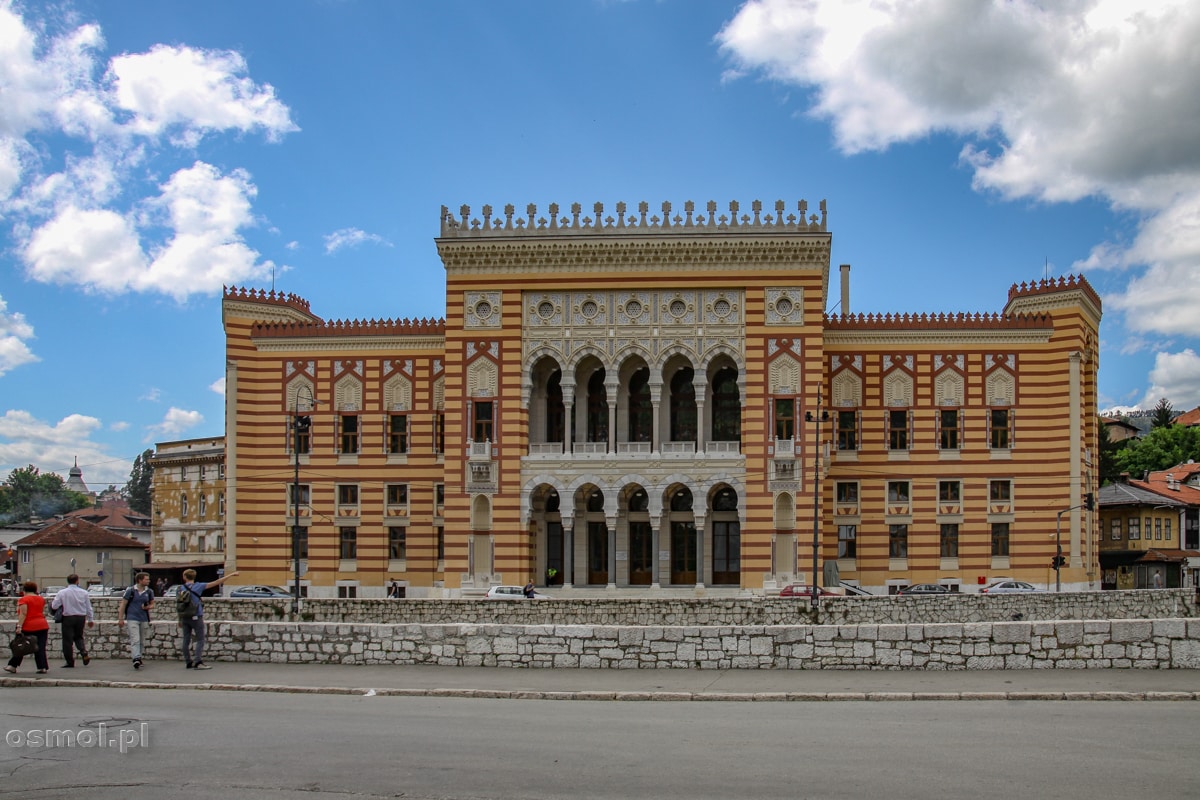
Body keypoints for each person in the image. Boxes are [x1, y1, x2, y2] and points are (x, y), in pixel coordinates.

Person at [177, 568, 238, 670]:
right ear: (194, 577)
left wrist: (179, 619)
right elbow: (216, 582)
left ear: (184, 577)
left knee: (186, 639)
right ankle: (198, 661)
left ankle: (188, 661)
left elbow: (178, 604)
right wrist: (231, 575)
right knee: (200, 639)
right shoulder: (198, 586)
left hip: (184, 616)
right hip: (196, 616)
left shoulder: (180, 588)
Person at [5, 581, 50, 674]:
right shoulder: (41, 599)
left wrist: (19, 626)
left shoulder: (24, 600)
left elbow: (23, 613)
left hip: (28, 626)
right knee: (40, 647)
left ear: (24, 590)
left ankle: (12, 665)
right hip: (42, 625)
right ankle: (42, 667)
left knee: (21, 645)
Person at [50, 574, 94, 668]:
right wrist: (90, 619)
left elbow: (54, 606)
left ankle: (70, 661)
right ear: (77, 581)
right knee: (78, 636)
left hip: (68, 617)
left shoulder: (62, 592)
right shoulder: (84, 592)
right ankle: (83, 651)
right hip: (81, 617)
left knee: (67, 640)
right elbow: (88, 607)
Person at [118, 572, 155, 669]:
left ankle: (139, 657)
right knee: (135, 639)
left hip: (143, 618)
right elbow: (123, 604)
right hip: (132, 617)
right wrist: (120, 618)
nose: (148, 581)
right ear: (140, 580)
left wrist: (147, 607)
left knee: (142, 640)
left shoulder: (149, 591)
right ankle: (136, 658)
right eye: (146, 579)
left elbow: (152, 604)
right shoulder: (131, 591)